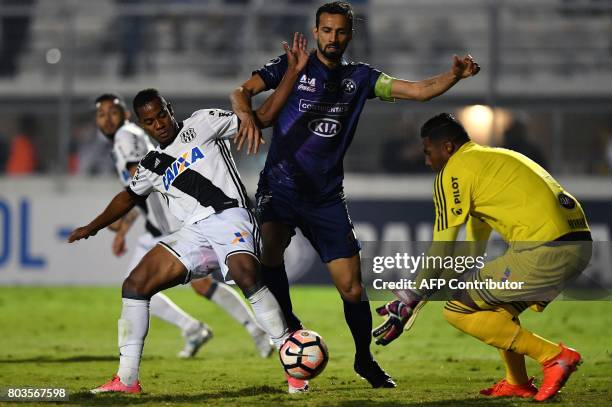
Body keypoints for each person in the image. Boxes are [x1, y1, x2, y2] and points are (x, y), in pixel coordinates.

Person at [230, 0, 480, 390]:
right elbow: (241, 92)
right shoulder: (291, 66)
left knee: (352, 287)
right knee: (269, 256)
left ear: (350, 34)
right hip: (280, 187)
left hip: (327, 198)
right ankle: (292, 333)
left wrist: (454, 75)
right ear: (316, 33)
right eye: (326, 31)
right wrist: (246, 114)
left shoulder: (361, 78)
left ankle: (365, 359)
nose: (333, 38)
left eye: (340, 31)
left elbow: (417, 91)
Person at [69, 34, 311, 394]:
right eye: (149, 121)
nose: (159, 124)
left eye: (162, 114)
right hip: (192, 234)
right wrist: (92, 226)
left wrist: (292, 73)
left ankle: (292, 365)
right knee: (135, 285)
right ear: (143, 123)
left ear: (169, 108)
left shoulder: (204, 122)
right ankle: (127, 380)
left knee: (246, 274)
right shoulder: (150, 164)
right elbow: (126, 198)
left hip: (231, 217)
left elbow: (260, 117)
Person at [372, 113, 592, 401]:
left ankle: (553, 356)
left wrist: (411, 295)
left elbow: (443, 248)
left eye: (428, 152)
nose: (427, 161)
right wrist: (417, 300)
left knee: (456, 310)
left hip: (544, 249)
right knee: (497, 312)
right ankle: (517, 382)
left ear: (447, 147)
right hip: (579, 244)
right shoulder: (488, 162)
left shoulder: (454, 172)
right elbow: (472, 252)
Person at [94, 93, 274, 360]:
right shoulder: (130, 137)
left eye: (113, 112)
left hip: (169, 222)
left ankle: (240, 330)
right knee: (142, 285)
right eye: (101, 114)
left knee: (141, 286)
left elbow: (141, 183)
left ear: (127, 115)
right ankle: (203, 329)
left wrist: (120, 222)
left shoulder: (125, 137)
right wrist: (124, 227)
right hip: (157, 223)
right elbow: (142, 186)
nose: (107, 119)